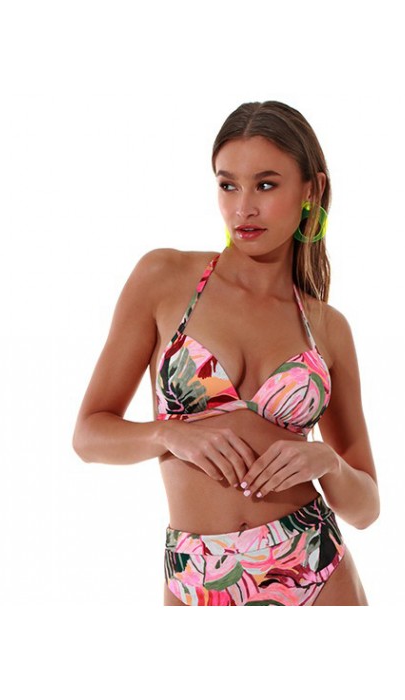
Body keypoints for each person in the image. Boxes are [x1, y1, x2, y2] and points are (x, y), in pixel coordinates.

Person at [73, 100, 380, 606]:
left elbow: (366, 509)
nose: (243, 208)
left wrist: (328, 462)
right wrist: (168, 434)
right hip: (197, 573)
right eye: (227, 185)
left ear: (312, 190)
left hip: (314, 567)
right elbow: (88, 436)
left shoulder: (327, 328)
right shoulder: (164, 279)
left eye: (266, 185)